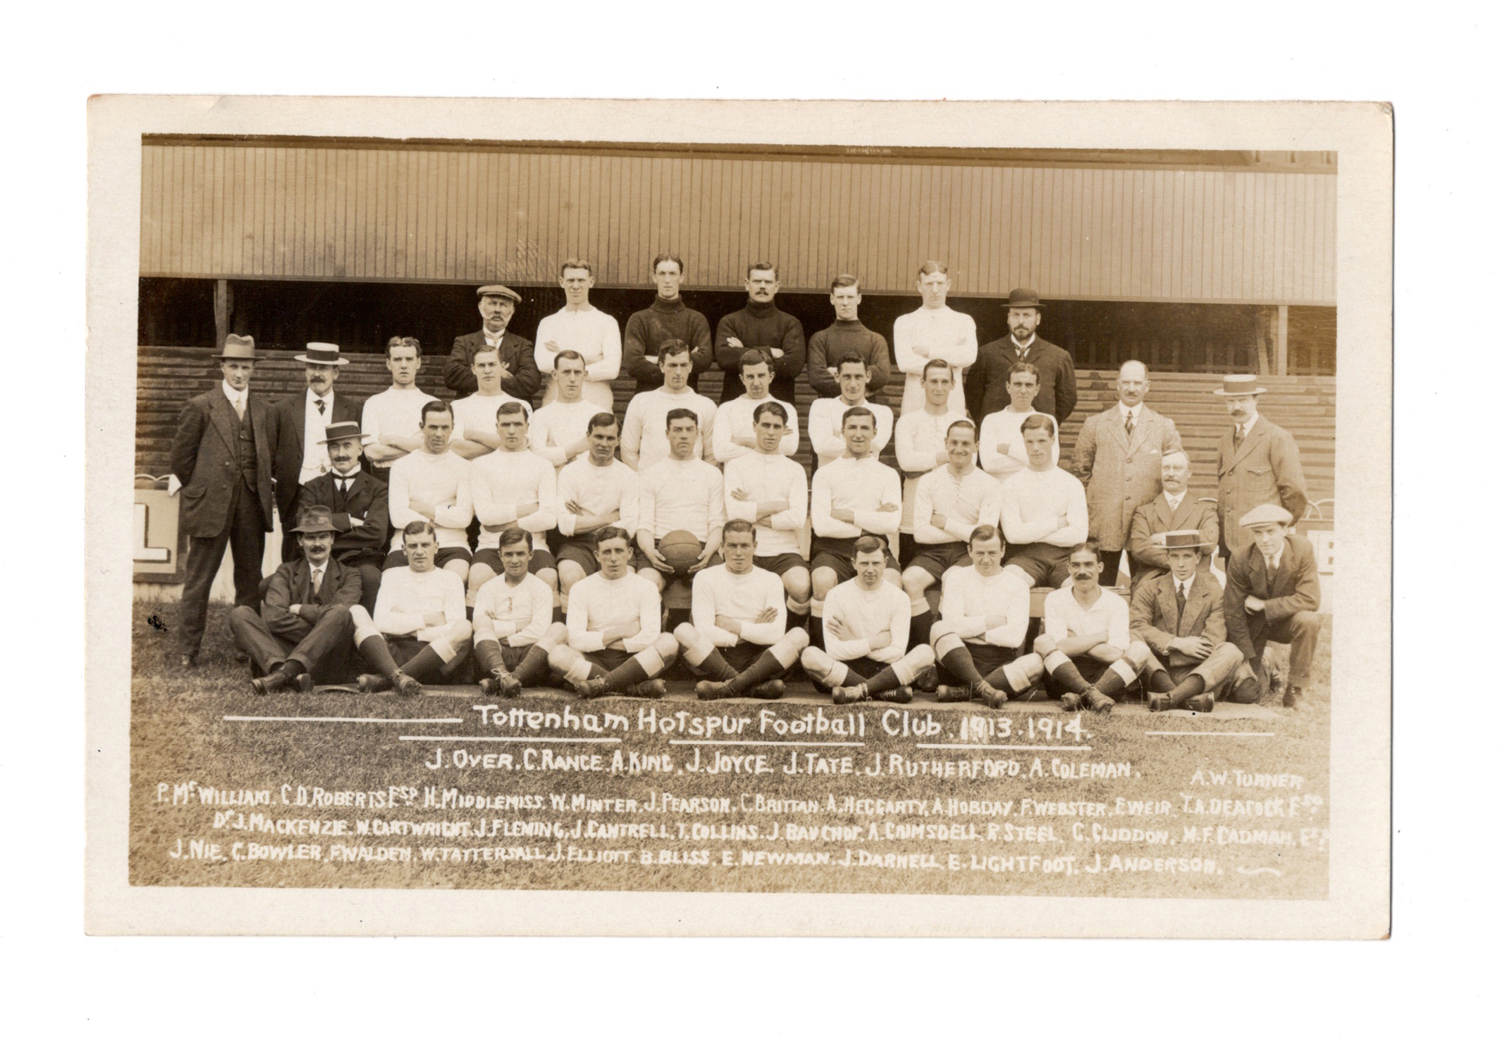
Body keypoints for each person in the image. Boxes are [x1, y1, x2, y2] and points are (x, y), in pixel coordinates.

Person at [168, 334, 274, 667]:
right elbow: (181, 461)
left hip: (250, 506)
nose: (239, 373)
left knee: (249, 579)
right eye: (233, 366)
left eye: (245, 367)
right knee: (199, 579)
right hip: (210, 505)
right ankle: (188, 649)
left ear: (253, 369)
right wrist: (203, 488)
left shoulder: (263, 409)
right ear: (223, 367)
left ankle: (246, 647)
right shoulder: (201, 406)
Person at [228, 506, 361, 695]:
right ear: (300, 541)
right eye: (310, 537)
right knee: (240, 614)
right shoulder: (285, 571)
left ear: (332, 539)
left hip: (329, 656)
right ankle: (283, 673)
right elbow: (274, 617)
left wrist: (298, 609)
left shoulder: (350, 574)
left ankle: (281, 675)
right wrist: (321, 629)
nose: (317, 543)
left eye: (323, 536)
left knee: (340, 614)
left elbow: (338, 613)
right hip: (286, 651)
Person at [1073, 360, 1184, 585]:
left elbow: (1176, 471)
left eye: (1137, 383)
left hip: (1147, 525)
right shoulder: (1094, 424)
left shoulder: (1164, 426)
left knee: (1148, 591)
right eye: (1126, 382)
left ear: (1147, 386)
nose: (1131, 388)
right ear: (1117, 385)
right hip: (1103, 523)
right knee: (1100, 590)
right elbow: (1080, 472)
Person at [674, 521, 811, 701]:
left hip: (759, 659)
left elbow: (776, 634)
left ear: (755, 547)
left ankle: (728, 687)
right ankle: (751, 687)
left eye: (745, 546)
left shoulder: (771, 579)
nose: (739, 553)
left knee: (800, 636)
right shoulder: (706, 577)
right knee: (682, 631)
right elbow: (703, 632)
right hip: (716, 658)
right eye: (732, 545)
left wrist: (731, 624)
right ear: (722, 547)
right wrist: (749, 631)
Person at [543, 526, 680, 699]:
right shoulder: (581, 588)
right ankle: (631, 688)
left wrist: (602, 640)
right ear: (597, 555)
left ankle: (602, 684)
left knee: (669, 642)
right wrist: (620, 632)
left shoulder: (646, 587)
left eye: (619, 551)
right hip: (593, 658)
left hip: (633, 658)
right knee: (557, 655)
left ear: (629, 553)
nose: (613, 558)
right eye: (606, 552)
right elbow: (576, 640)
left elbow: (651, 636)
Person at [799, 537, 936, 705]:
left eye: (876, 563)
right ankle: (882, 691)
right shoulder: (836, 595)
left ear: (885, 563)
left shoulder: (899, 597)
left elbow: (898, 652)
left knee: (925, 652)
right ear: (853, 563)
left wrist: (852, 640)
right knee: (809, 655)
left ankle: (858, 691)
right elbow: (833, 651)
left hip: (886, 670)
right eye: (864, 563)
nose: (870, 569)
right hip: (846, 669)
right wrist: (873, 643)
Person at [903, 419, 1002, 650]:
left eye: (966, 443)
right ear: (945, 443)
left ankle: (947, 652)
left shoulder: (989, 483)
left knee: (952, 578)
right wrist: (966, 531)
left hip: (969, 553)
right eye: (954, 442)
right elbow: (920, 533)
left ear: (976, 445)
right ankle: (927, 648)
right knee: (909, 580)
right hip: (933, 551)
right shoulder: (929, 480)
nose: (959, 448)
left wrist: (945, 522)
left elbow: (985, 537)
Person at [1130, 530, 1253, 713]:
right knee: (1132, 637)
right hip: (1160, 672)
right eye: (1175, 556)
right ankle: (1186, 699)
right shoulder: (1149, 588)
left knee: (1231, 651)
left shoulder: (1214, 591)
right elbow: (1137, 626)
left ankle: (1171, 697)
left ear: (1197, 557)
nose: (1180, 564)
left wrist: (1172, 652)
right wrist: (1176, 643)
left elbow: (1212, 642)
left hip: (1199, 673)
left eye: (1187, 556)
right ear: (1167, 558)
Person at [349, 521, 474, 696]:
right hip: (393, 654)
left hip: (434, 658)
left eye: (425, 545)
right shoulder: (392, 575)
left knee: (465, 627)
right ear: (404, 549)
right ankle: (399, 676)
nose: (419, 551)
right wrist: (426, 620)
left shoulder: (450, 578)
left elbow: (454, 628)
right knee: (356, 611)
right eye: (413, 546)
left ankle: (388, 679)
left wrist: (409, 630)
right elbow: (381, 621)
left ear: (436, 547)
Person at [265, 342, 362, 562]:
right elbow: (271, 455)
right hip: (296, 494)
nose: (317, 374)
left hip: (339, 491)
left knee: (337, 549)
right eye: (312, 367)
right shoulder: (282, 409)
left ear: (335, 373)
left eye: (323, 368)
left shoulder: (353, 409)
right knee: (294, 553)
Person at [810, 407, 902, 635]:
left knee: (891, 581)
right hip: (832, 550)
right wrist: (872, 518)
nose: (858, 434)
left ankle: (879, 650)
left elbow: (891, 524)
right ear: (842, 431)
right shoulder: (825, 473)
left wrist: (849, 515)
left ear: (875, 433)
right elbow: (821, 526)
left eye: (864, 428)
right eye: (852, 427)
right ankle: (823, 651)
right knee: (822, 580)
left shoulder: (887, 474)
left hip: (874, 547)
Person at [929, 525, 1044, 707]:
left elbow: (1014, 638)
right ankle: (984, 690)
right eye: (979, 553)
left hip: (999, 663)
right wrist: (990, 622)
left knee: (1036, 662)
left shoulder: (1017, 585)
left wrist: (971, 629)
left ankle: (965, 692)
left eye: (992, 553)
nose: (985, 559)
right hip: (960, 660)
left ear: (1003, 550)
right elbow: (951, 625)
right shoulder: (957, 578)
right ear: (969, 551)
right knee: (939, 628)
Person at [1033, 541, 1153, 714]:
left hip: (1107, 678)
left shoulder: (1116, 603)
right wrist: (1099, 637)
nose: (1082, 571)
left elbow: (1115, 654)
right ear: (1068, 568)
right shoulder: (1055, 598)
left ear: (1100, 567)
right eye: (1076, 565)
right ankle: (1093, 696)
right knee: (1042, 641)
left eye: (1088, 565)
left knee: (1140, 649)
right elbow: (1059, 648)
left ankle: (1083, 698)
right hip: (1064, 679)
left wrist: (1074, 640)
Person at [1223, 503, 1322, 709]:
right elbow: (1233, 613)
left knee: (1308, 621)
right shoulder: (1241, 558)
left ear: (1285, 530)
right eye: (1258, 533)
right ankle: (1267, 664)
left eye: (1271, 532)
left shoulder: (1302, 549)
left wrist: (1264, 606)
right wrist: (1244, 660)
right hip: (1254, 628)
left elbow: (1310, 598)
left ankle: (1296, 689)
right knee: (1245, 695)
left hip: (1286, 621)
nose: (1265, 540)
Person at [723, 401, 811, 619]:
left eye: (777, 427)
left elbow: (798, 518)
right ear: (755, 426)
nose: (771, 432)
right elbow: (734, 512)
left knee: (801, 587)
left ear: (784, 430)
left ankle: (790, 638)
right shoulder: (736, 465)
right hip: (746, 547)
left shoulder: (794, 469)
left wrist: (751, 510)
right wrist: (779, 505)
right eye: (765, 425)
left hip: (784, 549)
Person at [466, 401, 558, 606]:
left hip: (534, 544)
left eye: (517, 424)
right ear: (496, 427)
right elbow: (486, 516)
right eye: (505, 424)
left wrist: (505, 524)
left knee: (548, 577)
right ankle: (476, 635)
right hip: (491, 544)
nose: (511, 430)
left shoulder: (543, 465)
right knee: (477, 576)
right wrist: (528, 509)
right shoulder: (481, 465)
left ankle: (549, 636)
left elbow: (549, 518)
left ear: (527, 427)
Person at [296, 421, 389, 614]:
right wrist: (349, 521)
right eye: (334, 447)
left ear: (360, 449)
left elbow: (377, 534)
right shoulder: (313, 486)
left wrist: (323, 533)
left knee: (371, 578)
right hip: (319, 558)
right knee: (271, 584)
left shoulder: (378, 487)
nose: (341, 453)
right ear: (328, 452)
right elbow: (303, 523)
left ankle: (367, 635)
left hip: (362, 559)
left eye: (347, 445)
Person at [1214, 374, 1309, 560]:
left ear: (1256, 400)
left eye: (1242, 400)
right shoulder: (1224, 441)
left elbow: (1295, 491)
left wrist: (1278, 529)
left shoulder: (1277, 437)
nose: (1236, 407)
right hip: (1231, 547)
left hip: (1265, 545)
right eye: (1230, 401)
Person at [633, 409, 725, 591]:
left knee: (719, 585)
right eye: (677, 430)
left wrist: (708, 552)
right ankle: (657, 619)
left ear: (697, 434)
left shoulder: (712, 474)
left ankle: (691, 620)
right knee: (645, 584)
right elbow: (644, 524)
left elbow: (717, 522)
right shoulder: (651, 474)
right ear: (667, 434)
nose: (684, 435)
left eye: (689, 429)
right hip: (659, 545)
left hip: (702, 547)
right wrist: (651, 553)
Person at [555, 413, 638, 608]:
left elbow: (630, 527)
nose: (604, 443)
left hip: (616, 544)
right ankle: (571, 631)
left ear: (618, 440)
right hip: (579, 544)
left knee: (627, 582)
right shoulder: (571, 472)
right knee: (570, 576)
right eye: (598, 437)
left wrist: (583, 521)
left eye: (610, 438)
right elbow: (565, 525)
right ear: (588, 437)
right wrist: (608, 518)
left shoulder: (628, 476)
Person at [384, 401, 472, 584]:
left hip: (452, 543)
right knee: (392, 581)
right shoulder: (402, 466)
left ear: (452, 428)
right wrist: (442, 516)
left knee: (453, 580)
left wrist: (420, 509)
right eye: (432, 427)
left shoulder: (465, 467)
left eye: (444, 427)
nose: (439, 434)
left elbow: (464, 517)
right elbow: (398, 517)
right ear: (421, 427)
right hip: (407, 543)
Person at [471, 528, 566, 696]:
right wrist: (521, 624)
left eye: (520, 554)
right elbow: (481, 627)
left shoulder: (541, 587)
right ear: (500, 555)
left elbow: (540, 630)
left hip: (530, 655)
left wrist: (505, 635)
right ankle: (504, 676)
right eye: (508, 554)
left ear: (531, 554)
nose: (514, 560)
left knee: (558, 628)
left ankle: (503, 681)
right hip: (497, 654)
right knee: (481, 622)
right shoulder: (488, 587)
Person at [998, 414, 1089, 589]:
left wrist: (1029, 532)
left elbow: (1078, 535)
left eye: (1041, 441)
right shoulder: (1011, 485)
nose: (1035, 448)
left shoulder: (1071, 483)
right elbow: (1013, 535)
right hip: (1026, 557)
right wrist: (1057, 523)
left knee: (1076, 588)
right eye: (1029, 442)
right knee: (1009, 584)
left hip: (1065, 558)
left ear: (1053, 440)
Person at [965, 288, 1077, 426]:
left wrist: (1046, 424)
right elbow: (973, 397)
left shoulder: (1058, 356)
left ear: (1038, 319)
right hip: (999, 431)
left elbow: (1067, 400)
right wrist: (989, 423)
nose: (1021, 321)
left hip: (1039, 435)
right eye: (1016, 315)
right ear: (1008, 318)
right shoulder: (987, 353)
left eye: (1027, 315)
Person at [894, 359, 966, 553]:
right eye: (933, 381)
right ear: (922, 383)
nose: (939, 387)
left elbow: (967, 465)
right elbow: (906, 462)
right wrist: (945, 456)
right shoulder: (907, 421)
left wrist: (922, 466)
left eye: (944, 381)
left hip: (952, 516)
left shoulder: (963, 423)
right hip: (913, 513)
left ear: (953, 384)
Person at [892, 260, 978, 416]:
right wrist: (951, 358)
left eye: (940, 283)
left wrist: (929, 352)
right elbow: (905, 362)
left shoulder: (963, 320)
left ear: (948, 284)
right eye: (929, 284)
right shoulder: (904, 322)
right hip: (916, 402)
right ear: (919, 286)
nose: (935, 290)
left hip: (952, 402)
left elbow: (968, 356)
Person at [533, 259, 622, 409]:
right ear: (561, 282)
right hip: (556, 405)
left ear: (591, 282)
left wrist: (561, 353)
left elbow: (612, 368)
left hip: (597, 404)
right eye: (570, 280)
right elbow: (543, 363)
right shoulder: (548, 323)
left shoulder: (607, 321)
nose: (575, 286)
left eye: (581, 280)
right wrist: (593, 359)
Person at [1126, 451, 1219, 593]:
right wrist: (1184, 557)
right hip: (1153, 579)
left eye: (1177, 468)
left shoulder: (1205, 509)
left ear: (1189, 473)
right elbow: (1139, 548)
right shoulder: (1144, 511)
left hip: (1197, 579)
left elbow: (1209, 541)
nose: (1170, 473)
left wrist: (1163, 538)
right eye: (1166, 468)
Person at [713, 262, 805, 404]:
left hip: (777, 408)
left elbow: (793, 366)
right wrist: (770, 351)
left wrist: (742, 351)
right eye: (757, 281)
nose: (762, 286)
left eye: (768, 282)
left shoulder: (790, 323)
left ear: (777, 286)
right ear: (747, 284)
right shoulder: (730, 321)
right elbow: (725, 358)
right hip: (737, 406)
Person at [620, 340, 718, 470]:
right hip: (651, 485)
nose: (678, 372)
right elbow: (628, 451)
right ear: (661, 366)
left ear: (690, 366)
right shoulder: (641, 402)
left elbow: (711, 455)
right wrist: (645, 480)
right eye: (672, 365)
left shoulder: (706, 405)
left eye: (683, 365)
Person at [622, 253, 713, 392]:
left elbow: (704, 360)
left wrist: (653, 359)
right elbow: (633, 365)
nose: (667, 280)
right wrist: (684, 363)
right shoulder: (639, 319)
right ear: (654, 277)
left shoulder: (696, 319)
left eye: (672, 273)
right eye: (662, 273)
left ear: (681, 277)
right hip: (649, 399)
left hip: (686, 399)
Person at [445, 284, 542, 402]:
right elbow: (453, 376)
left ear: (512, 311)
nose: (497, 310)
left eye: (503, 305)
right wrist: (499, 374)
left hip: (512, 412)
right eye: (492, 303)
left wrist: (485, 377)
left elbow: (531, 382)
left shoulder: (524, 345)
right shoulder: (463, 342)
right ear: (481, 307)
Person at [360, 336, 440, 478]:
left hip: (423, 476)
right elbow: (372, 453)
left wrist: (392, 440)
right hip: (385, 478)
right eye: (397, 359)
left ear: (418, 363)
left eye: (409, 359)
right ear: (388, 363)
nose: (403, 365)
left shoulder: (432, 403)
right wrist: (420, 446)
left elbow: (438, 448)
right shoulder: (374, 403)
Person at [806, 274, 891, 399]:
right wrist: (859, 388)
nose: (845, 302)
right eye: (840, 297)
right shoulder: (820, 339)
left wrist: (836, 372)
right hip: (830, 409)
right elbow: (817, 378)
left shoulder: (875, 339)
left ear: (859, 298)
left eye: (850, 297)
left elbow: (882, 374)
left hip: (864, 412)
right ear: (832, 299)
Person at [711, 349, 800, 463]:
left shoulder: (786, 408)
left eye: (761, 375)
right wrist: (770, 444)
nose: (756, 383)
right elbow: (721, 453)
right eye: (750, 377)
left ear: (771, 377)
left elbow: (790, 447)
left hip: (774, 477)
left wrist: (742, 441)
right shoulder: (727, 408)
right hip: (738, 477)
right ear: (742, 379)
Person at [807, 354, 894, 468]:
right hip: (832, 479)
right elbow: (821, 445)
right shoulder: (822, 406)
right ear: (837, 376)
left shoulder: (882, 412)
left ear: (868, 376)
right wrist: (863, 445)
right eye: (847, 377)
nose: (853, 384)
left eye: (858, 377)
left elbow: (877, 444)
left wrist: (838, 438)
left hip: (866, 479)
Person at [977, 362, 1058, 481]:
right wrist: (1032, 459)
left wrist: (1010, 450)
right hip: (1001, 490)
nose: (1023, 390)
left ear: (1037, 389)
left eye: (1029, 385)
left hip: (1035, 487)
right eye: (1017, 384)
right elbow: (989, 465)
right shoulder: (991, 420)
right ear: (1008, 387)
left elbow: (1051, 462)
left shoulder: (1047, 420)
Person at [450, 346, 534, 459]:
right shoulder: (457, 406)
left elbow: (525, 444)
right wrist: (508, 445)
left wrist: (472, 434)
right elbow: (457, 448)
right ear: (473, 369)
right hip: (472, 472)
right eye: (481, 365)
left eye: (492, 364)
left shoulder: (522, 405)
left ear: (503, 367)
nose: (487, 371)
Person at [530, 351, 605, 471]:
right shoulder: (541, 415)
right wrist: (578, 448)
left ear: (585, 375)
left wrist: (557, 457)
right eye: (566, 372)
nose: (572, 379)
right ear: (555, 375)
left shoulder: (598, 414)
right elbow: (537, 457)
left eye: (577, 372)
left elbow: (603, 456)